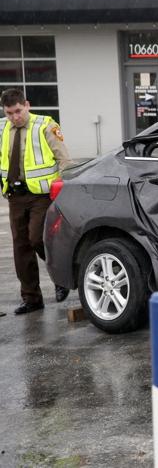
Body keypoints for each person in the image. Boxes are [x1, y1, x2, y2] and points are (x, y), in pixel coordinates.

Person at [1, 89, 71, 315]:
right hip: (15, 196)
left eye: (18, 111)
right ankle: (31, 299)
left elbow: (64, 160)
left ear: (27, 105)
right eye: (9, 113)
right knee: (21, 247)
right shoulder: (2, 127)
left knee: (37, 239)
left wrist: (62, 188)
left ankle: (61, 279)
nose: (14, 117)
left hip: (42, 195)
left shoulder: (45, 125)